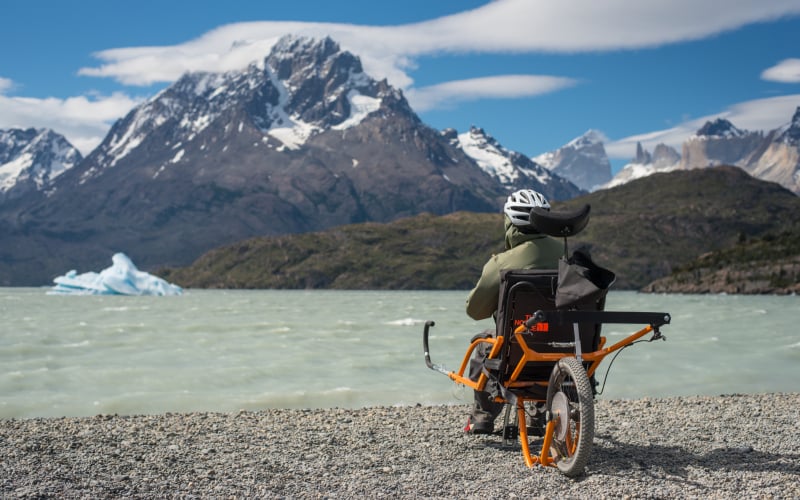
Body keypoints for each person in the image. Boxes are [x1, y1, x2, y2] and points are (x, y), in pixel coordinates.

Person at [464, 189, 564, 434]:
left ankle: (482, 418)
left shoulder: (501, 263)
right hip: (566, 346)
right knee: (548, 339)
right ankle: (539, 417)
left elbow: (474, 311)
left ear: (510, 224)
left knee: (483, 346)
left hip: (516, 351)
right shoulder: (569, 256)